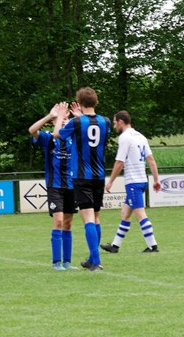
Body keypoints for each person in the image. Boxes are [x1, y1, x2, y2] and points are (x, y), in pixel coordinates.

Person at [53, 87, 111, 271]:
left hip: (81, 176)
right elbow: (91, 133)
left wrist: (60, 117)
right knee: (96, 217)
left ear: (80, 102)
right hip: (99, 175)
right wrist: (80, 116)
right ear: (96, 101)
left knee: (88, 219)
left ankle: (95, 260)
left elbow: (57, 134)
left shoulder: (76, 122)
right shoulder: (106, 121)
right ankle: (92, 258)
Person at [101, 110, 162, 254]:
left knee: (140, 214)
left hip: (133, 182)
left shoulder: (125, 137)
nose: (114, 126)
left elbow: (119, 162)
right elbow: (151, 160)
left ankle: (153, 246)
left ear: (121, 121)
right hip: (142, 180)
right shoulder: (140, 136)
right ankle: (115, 246)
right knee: (125, 214)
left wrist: (110, 181)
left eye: (115, 123)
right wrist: (156, 180)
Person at [28, 102, 78, 270]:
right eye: (60, 119)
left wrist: (78, 116)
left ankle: (67, 262)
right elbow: (31, 130)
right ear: (53, 122)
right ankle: (57, 262)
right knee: (58, 221)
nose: (63, 120)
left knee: (68, 223)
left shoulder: (73, 137)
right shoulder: (49, 138)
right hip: (55, 186)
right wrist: (50, 115)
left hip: (71, 185)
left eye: (65, 118)